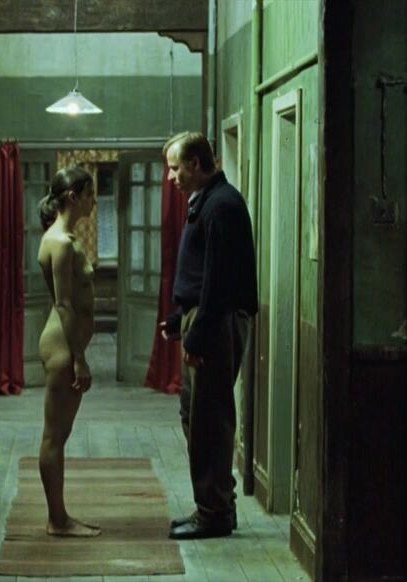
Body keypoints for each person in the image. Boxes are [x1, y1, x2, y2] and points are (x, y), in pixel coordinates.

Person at [158, 131, 258, 540]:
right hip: (204, 318)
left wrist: (197, 335)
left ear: (196, 164)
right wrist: (180, 317)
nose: (171, 177)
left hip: (215, 323)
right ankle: (212, 503)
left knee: (210, 419)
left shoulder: (222, 206)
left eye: (175, 168)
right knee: (196, 415)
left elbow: (219, 279)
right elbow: (204, 275)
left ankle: (214, 512)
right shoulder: (210, 202)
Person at [36, 166, 101, 537]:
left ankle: (59, 517)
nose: (94, 201)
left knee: (59, 434)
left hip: (65, 342)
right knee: (54, 436)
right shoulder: (60, 242)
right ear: (73, 197)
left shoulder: (64, 238)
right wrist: (79, 358)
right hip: (63, 346)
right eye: (90, 194)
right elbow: (63, 304)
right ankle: (57, 520)